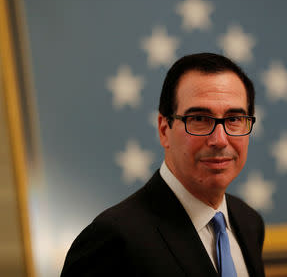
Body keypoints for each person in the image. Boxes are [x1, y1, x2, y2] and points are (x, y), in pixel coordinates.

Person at [61, 53, 265, 277]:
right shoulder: (112, 241)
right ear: (163, 129)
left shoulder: (249, 223)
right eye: (198, 119)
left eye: (234, 119)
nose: (219, 140)